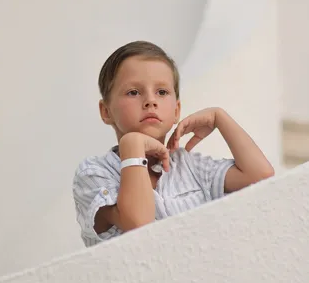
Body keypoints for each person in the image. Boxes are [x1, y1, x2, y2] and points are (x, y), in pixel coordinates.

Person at [72, 41, 274, 247]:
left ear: (176, 110)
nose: (151, 101)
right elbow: (138, 224)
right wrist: (132, 145)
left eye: (162, 92)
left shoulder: (190, 166)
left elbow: (260, 175)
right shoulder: (93, 173)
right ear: (105, 111)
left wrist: (219, 117)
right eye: (133, 92)